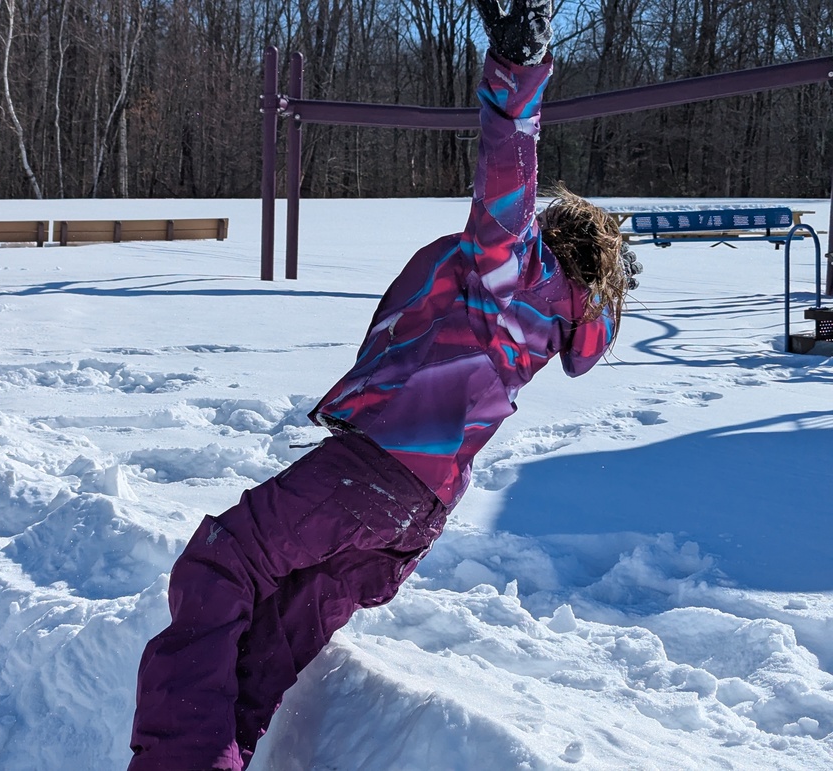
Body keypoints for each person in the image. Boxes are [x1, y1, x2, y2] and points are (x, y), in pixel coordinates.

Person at [129, 1, 641, 769]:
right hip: (417, 515)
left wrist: (516, 71)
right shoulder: (544, 320)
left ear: (550, 240)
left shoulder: (511, 270)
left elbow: (508, 163)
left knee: (220, 562)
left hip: (374, 471)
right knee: (266, 647)